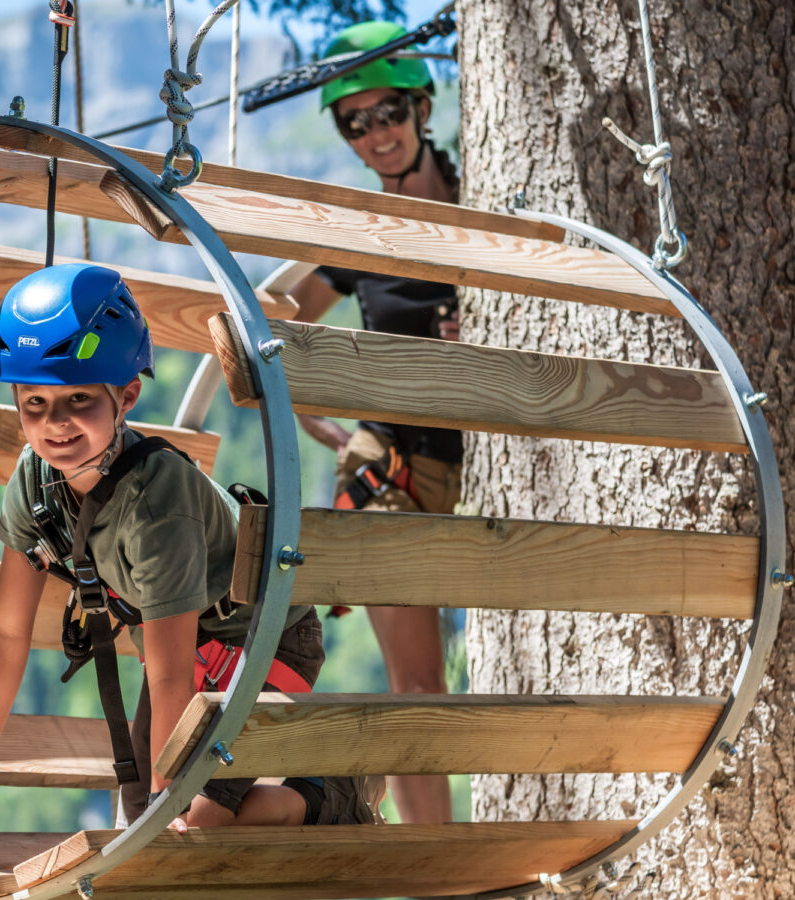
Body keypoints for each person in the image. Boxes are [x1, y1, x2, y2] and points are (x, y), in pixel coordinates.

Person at [0, 263, 382, 837]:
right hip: (183, 648)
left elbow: (171, 677)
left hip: (262, 637)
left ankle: (332, 792)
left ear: (126, 397)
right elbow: (5, 631)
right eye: (35, 402)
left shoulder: (157, 502)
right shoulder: (36, 482)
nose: (56, 423)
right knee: (147, 815)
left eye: (78, 398)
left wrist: (170, 806)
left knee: (194, 823)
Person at [290, 21, 463, 825]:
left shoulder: (484, 203)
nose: (376, 134)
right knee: (418, 685)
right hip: (393, 469)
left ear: (422, 108)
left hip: (493, 462)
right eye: (353, 123)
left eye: (388, 111)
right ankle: (436, 864)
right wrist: (320, 422)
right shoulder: (361, 231)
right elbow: (278, 323)